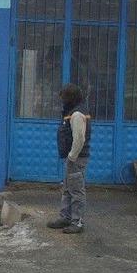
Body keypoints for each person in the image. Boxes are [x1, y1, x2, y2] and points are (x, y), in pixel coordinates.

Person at [47, 84, 91, 234]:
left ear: (70, 98)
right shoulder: (73, 112)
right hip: (72, 158)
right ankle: (65, 217)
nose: (62, 101)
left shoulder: (77, 114)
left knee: (76, 191)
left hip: (76, 159)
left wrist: (72, 156)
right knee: (67, 189)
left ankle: (77, 222)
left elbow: (79, 138)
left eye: (64, 98)